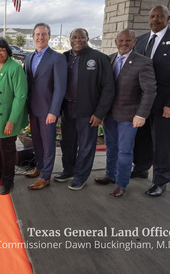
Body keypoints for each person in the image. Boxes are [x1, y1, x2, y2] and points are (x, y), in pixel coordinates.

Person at [132, 5, 170, 197]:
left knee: (163, 143)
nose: (155, 20)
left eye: (160, 16)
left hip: (165, 104)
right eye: (152, 16)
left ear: (168, 18)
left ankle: (160, 180)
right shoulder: (141, 40)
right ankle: (141, 168)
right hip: (143, 103)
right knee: (141, 139)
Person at [94, 29, 156, 198]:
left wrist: (141, 115)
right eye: (120, 40)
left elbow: (149, 91)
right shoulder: (110, 59)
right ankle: (110, 174)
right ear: (116, 42)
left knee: (125, 151)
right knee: (111, 147)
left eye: (127, 41)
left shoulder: (143, 62)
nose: (123, 43)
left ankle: (121, 184)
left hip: (129, 116)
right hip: (110, 115)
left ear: (134, 42)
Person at [55, 28, 115, 191]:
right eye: (74, 37)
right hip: (67, 109)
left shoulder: (99, 58)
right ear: (70, 39)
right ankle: (68, 171)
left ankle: (80, 176)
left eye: (82, 37)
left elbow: (108, 87)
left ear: (87, 39)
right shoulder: (64, 57)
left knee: (86, 146)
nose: (78, 40)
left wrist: (99, 113)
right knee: (67, 143)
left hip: (88, 111)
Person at [24, 23, 67, 190]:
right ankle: (40, 167)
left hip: (48, 110)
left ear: (49, 36)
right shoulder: (28, 58)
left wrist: (54, 111)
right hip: (33, 109)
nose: (40, 37)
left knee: (48, 144)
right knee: (36, 142)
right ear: (33, 37)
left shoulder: (57, 58)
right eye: (37, 34)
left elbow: (60, 88)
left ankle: (46, 176)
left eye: (44, 34)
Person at [0, 38, 28, 194]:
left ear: (7, 51)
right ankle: (1, 170)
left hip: (7, 117)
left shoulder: (15, 68)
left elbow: (21, 96)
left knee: (7, 149)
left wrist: (11, 121)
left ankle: (9, 180)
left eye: (1, 49)